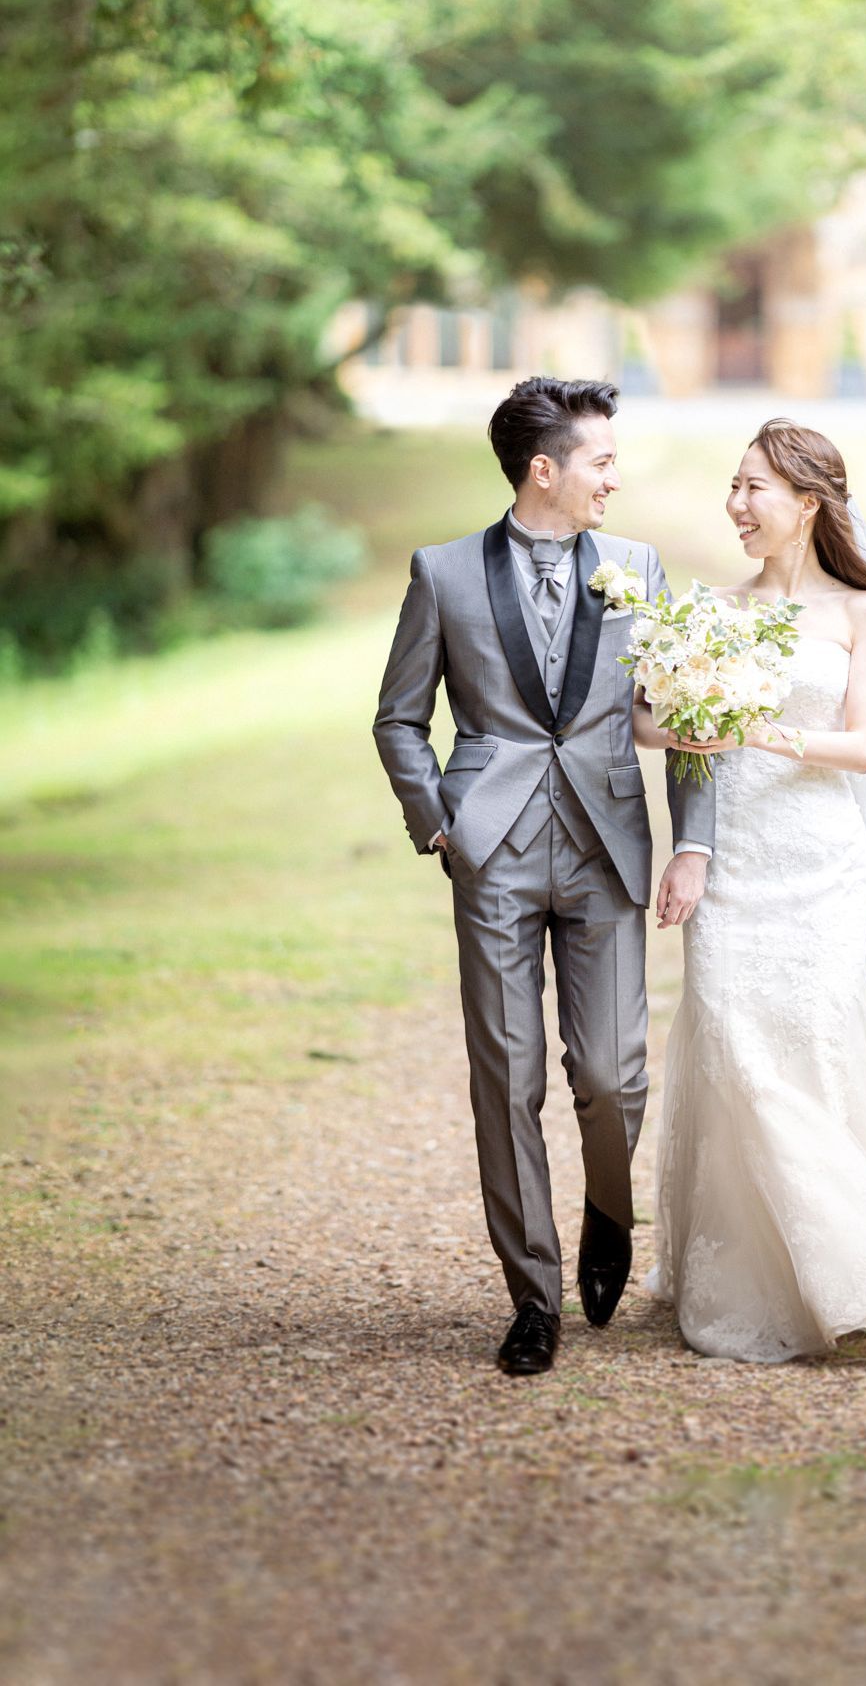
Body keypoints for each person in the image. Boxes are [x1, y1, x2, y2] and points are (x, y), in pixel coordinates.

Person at [637, 418, 866, 1363]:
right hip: (735, 865)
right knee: (729, 1039)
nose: (736, 503)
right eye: (732, 484)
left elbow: (862, 746)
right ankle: (770, 1267)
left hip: (817, 860)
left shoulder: (861, 613)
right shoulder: (708, 610)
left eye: (754, 487)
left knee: (808, 1040)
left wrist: (753, 729)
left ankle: (851, 1259)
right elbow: (664, 734)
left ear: (808, 503)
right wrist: (689, 823)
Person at [373, 377, 715, 1376]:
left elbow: (687, 711)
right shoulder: (443, 574)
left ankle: (608, 1210)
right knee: (508, 1079)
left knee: (612, 1076)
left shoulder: (638, 566)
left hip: (608, 843)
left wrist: (690, 838)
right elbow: (400, 716)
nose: (617, 477)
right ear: (544, 470)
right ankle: (533, 1294)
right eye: (602, 460)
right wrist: (439, 823)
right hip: (494, 852)